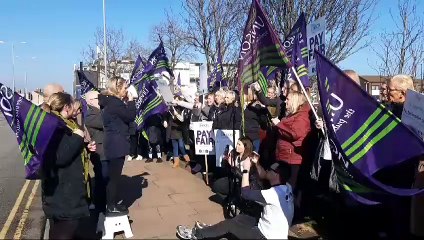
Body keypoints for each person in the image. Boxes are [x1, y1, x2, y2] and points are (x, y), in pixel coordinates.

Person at [177, 160, 294, 240]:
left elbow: (245, 193)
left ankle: (196, 235)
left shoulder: (273, 194)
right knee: (243, 218)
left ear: (276, 175)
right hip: (277, 233)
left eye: (270, 169)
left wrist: (245, 170)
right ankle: (211, 229)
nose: (267, 170)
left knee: (230, 225)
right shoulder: (287, 187)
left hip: (264, 236)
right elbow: (263, 175)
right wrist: (256, 162)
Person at [42, 92, 96, 239]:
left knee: (64, 231)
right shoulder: (55, 125)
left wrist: (85, 147)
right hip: (63, 195)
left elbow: (67, 149)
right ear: (66, 107)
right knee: (64, 232)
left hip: (65, 193)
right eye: (72, 104)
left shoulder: (63, 122)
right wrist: (78, 136)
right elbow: (61, 157)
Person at [98, 76, 136, 215]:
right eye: (125, 87)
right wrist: (131, 102)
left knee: (111, 177)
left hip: (112, 142)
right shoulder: (115, 103)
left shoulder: (109, 102)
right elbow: (130, 116)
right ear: (118, 88)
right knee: (114, 178)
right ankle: (111, 206)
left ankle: (110, 203)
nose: (126, 90)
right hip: (117, 143)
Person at [272, 91, 312, 190]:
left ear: (295, 101)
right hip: (285, 156)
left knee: (290, 188)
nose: (285, 101)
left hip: (292, 159)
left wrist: (279, 125)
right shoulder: (292, 114)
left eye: (288, 99)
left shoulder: (301, 116)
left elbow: (296, 133)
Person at [85, 90, 107, 212]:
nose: (100, 99)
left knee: (105, 178)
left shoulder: (100, 112)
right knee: (101, 179)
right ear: (90, 102)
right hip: (99, 151)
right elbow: (107, 123)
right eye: (97, 98)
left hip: (104, 149)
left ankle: (103, 203)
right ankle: (100, 206)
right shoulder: (91, 115)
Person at [167, 96, 191, 168]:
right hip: (172, 129)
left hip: (179, 129)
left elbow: (182, 119)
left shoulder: (182, 108)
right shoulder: (170, 108)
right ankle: (176, 161)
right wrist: (164, 121)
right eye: (175, 99)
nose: (175, 101)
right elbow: (166, 116)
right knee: (175, 146)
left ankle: (187, 158)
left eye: (177, 100)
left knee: (181, 145)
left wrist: (176, 114)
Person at [244, 87, 269, 152]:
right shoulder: (246, 106)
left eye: (246, 93)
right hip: (244, 136)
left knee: (253, 158)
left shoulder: (258, 107)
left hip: (254, 137)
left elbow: (263, 124)